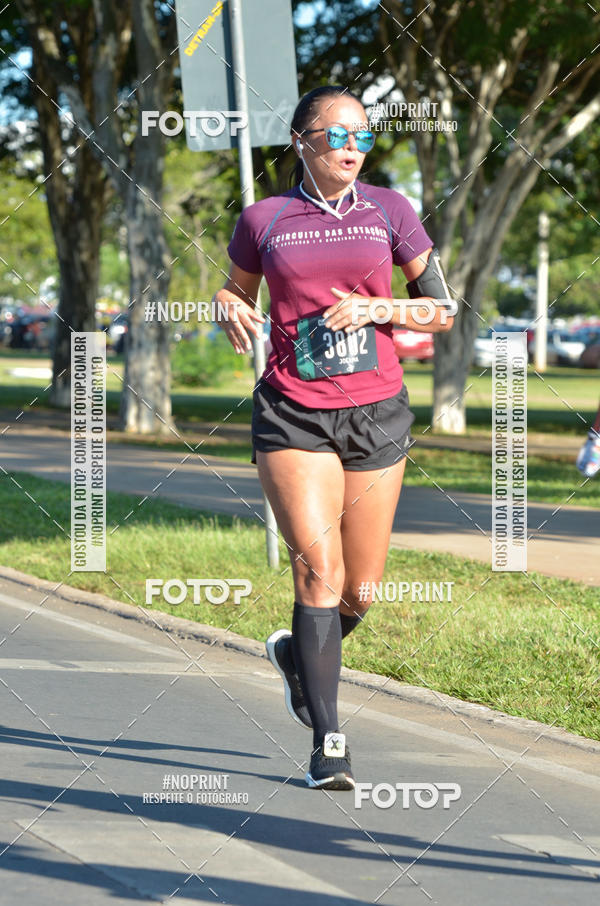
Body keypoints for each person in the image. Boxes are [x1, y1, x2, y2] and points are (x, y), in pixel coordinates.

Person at [214, 85, 454, 790]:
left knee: (361, 589)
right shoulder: (264, 218)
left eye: (362, 136)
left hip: (377, 411)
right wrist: (228, 305)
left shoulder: (392, 210)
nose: (352, 147)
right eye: (337, 134)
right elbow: (236, 289)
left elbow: (440, 307)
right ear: (302, 141)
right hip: (293, 412)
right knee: (317, 573)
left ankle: (298, 657)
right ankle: (329, 741)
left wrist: (378, 306)